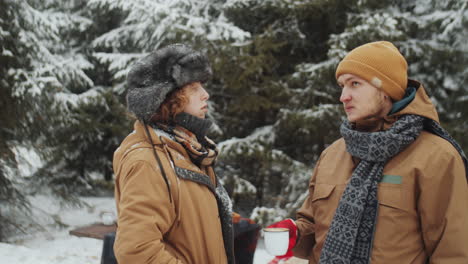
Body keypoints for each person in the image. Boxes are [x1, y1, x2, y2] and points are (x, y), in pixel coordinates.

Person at [269, 41, 468, 264]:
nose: (343, 96)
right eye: (342, 85)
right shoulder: (333, 155)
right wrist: (295, 234)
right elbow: (315, 229)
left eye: (355, 84)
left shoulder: (436, 156)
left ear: (386, 90)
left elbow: (452, 251)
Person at [113, 43, 235, 263]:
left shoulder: (188, 150)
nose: (205, 95)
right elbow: (137, 252)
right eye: (194, 88)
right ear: (169, 97)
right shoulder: (147, 161)